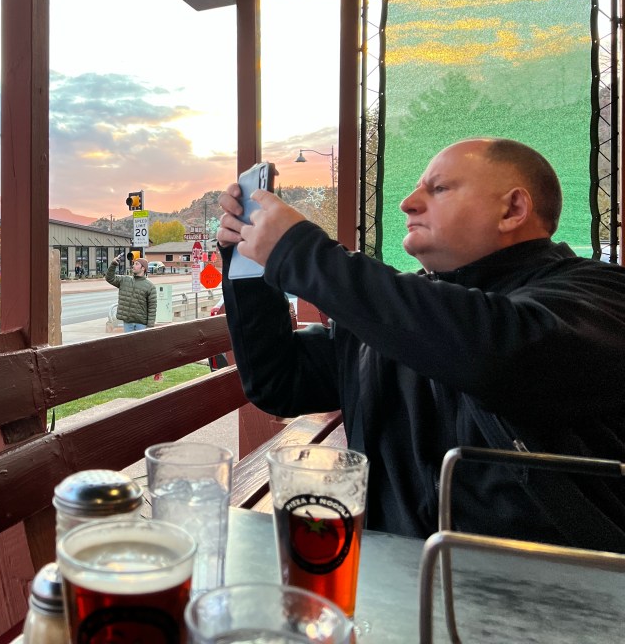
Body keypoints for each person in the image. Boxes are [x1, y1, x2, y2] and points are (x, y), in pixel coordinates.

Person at [217, 138, 625, 552]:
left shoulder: (598, 294)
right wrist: (249, 270)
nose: (408, 203)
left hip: (552, 580)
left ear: (513, 209)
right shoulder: (394, 319)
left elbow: (496, 351)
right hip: (391, 572)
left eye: (438, 188)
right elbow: (280, 383)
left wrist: (300, 253)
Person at [105, 253, 157, 333]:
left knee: (140, 341)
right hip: (127, 322)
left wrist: (150, 327)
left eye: (136, 264)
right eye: (133, 264)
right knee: (129, 341)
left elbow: (152, 308)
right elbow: (109, 278)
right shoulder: (124, 280)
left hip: (141, 324)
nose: (133, 266)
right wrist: (113, 264)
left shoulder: (150, 286)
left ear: (143, 268)